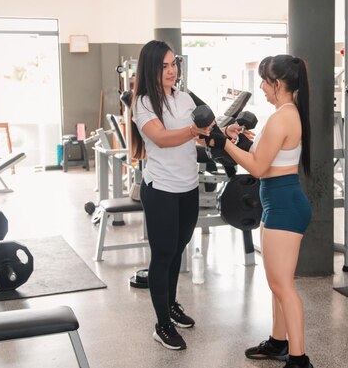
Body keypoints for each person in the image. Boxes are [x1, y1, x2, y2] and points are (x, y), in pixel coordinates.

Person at [129, 40, 244, 351]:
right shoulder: (143, 103)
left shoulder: (185, 98)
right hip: (161, 191)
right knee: (163, 256)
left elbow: (206, 139)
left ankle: (171, 305)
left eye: (173, 64)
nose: (171, 70)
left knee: (177, 252)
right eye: (164, 66)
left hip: (187, 188)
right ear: (151, 68)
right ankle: (161, 323)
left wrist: (223, 135)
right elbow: (162, 139)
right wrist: (193, 132)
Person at [207, 54, 313, 368]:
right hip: (276, 202)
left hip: (284, 206)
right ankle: (278, 342)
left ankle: (299, 359)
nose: (262, 89)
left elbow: (257, 166)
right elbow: (266, 153)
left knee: (283, 284)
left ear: (278, 84)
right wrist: (243, 140)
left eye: (265, 82)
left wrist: (222, 143)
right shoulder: (284, 113)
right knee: (277, 281)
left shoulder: (283, 116)